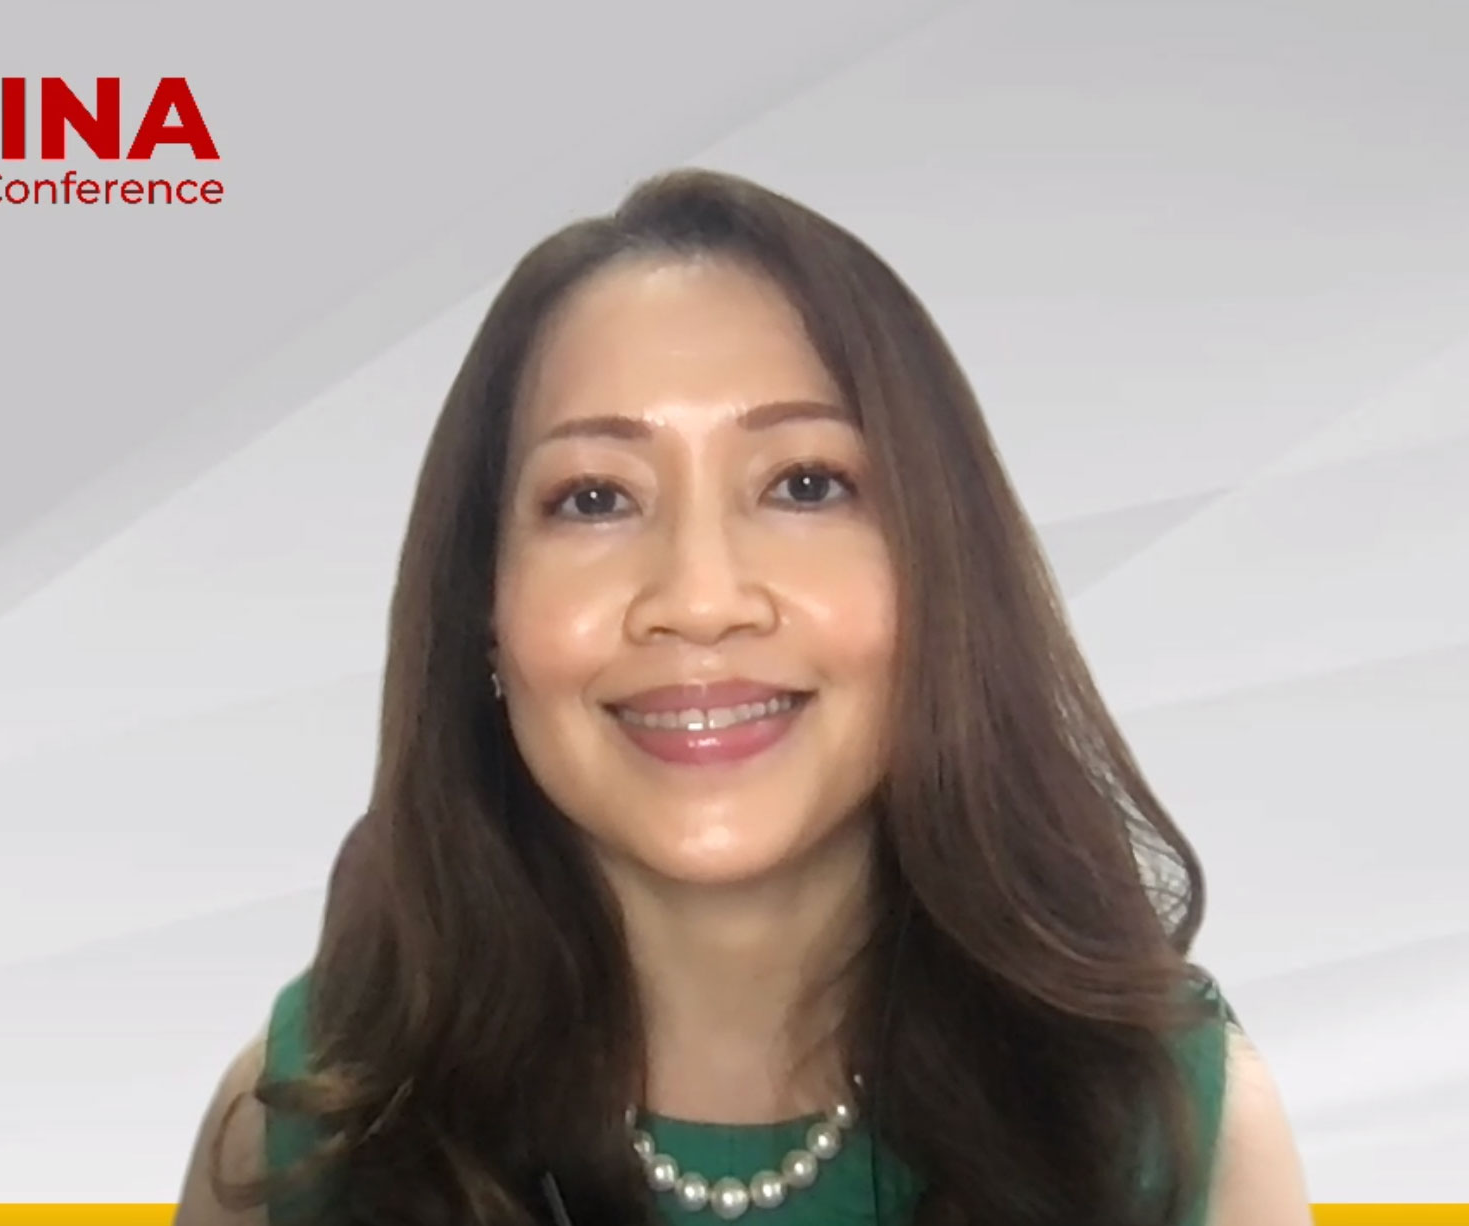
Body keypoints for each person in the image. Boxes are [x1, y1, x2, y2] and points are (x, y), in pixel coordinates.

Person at [173, 168, 1310, 1226]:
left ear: (940, 572)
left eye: (804, 484)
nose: (700, 600)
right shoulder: (305, 1130)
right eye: (594, 498)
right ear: (484, 604)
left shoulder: (1179, 1123)